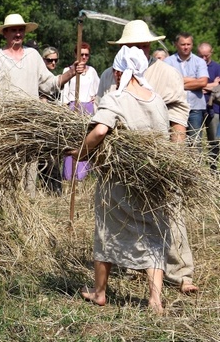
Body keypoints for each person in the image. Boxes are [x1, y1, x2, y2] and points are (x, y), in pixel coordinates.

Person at [98, 20, 197, 294]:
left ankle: (180, 273)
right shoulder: (110, 75)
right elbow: (100, 115)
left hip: (158, 158)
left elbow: (178, 115)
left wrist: (174, 155)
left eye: (144, 45)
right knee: (125, 213)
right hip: (120, 161)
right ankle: (135, 265)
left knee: (169, 212)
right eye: (134, 46)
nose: (140, 50)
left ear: (151, 47)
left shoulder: (165, 73)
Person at [71, 46, 170, 314]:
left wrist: (81, 152)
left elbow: (101, 129)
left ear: (118, 72)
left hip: (119, 181)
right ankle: (155, 300)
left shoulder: (116, 97)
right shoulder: (157, 99)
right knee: (153, 234)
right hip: (154, 180)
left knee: (107, 232)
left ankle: (100, 293)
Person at [0, 13, 84, 197]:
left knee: (30, 170)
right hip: (4, 125)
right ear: (5, 33)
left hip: (30, 124)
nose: (18, 34)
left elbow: (49, 83)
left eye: (21, 30)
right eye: (13, 30)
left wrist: (71, 73)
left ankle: (28, 206)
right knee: (7, 172)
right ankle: (7, 208)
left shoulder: (33, 56)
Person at [61, 42, 100, 182]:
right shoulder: (68, 70)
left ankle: (82, 175)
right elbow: (64, 92)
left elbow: (97, 89)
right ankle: (68, 175)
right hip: (73, 108)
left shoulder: (92, 72)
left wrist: (95, 99)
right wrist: (65, 109)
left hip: (87, 109)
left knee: (85, 141)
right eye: (81, 54)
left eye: (86, 55)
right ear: (75, 54)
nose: (84, 57)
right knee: (72, 142)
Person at [163, 32, 209, 149]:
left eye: (188, 44)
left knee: (195, 142)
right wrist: (193, 80)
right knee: (176, 143)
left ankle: (197, 167)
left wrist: (178, 81)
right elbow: (167, 83)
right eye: (183, 44)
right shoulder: (168, 62)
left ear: (192, 45)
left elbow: (203, 82)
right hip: (174, 107)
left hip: (195, 108)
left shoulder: (200, 62)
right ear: (176, 45)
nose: (186, 47)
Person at [38, 46, 63, 195]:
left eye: (55, 60)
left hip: (55, 121)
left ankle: (56, 188)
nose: (53, 63)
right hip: (43, 122)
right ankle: (48, 187)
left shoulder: (55, 78)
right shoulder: (41, 78)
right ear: (43, 60)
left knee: (55, 157)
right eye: (49, 60)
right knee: (44, 157)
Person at [197, 42, 220, 170]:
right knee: (196, 139)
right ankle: (198, 168)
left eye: (206, 56)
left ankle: (213, 166)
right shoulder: (194, 66)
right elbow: (186, 84)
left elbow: (219, 88)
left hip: (214, 109)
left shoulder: (217, 67)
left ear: (211, 53)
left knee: (214, 141)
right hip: (196, 108)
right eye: (201, 56)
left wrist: (199, 85)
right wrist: (212, 85)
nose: (204, 59)